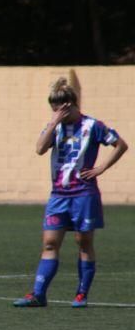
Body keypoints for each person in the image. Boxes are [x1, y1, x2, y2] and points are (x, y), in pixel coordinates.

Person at [14, 77, 128, 308]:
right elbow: (39, 149)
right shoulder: (55, 127)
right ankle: (38, 294)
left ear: (73, 105)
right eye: (54, 110)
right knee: (49, 243)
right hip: (58, 195)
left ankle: (81, 294)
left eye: (61, 110)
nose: (59, 114)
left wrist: (101, 168)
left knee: (83, 242)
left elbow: (121, 144)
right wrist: (53, 122)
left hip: (84, 194)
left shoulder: (92, 126)